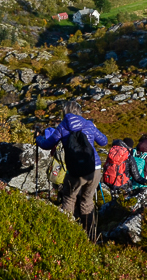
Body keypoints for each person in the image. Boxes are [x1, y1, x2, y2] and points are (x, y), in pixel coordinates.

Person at [36, 100, 108, 235]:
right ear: (79, 112)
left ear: (65, 111)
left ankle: (67, 232)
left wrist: (38, 138)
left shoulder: (62, 127)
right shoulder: (88, 124)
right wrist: (93, 129)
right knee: (87, 201)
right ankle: (91, 236)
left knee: (69, 199)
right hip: (94, 168)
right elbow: (104, 141)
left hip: (74, 170)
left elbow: (47, 144)